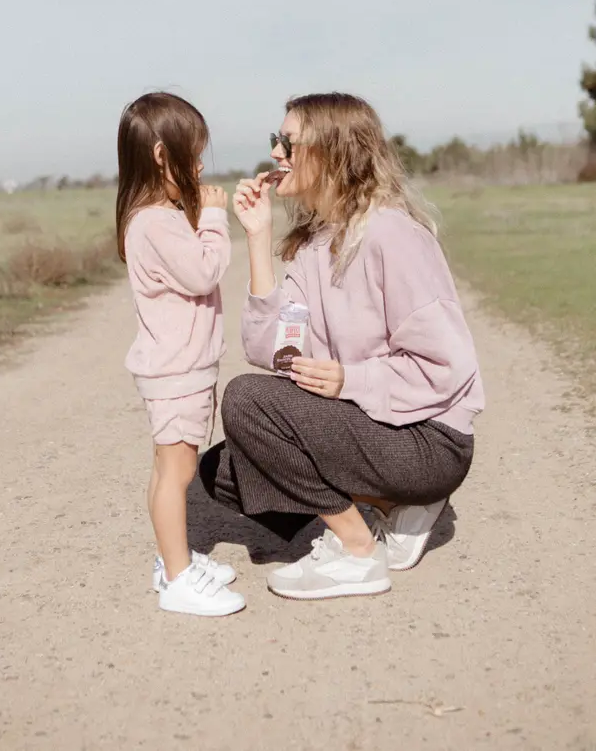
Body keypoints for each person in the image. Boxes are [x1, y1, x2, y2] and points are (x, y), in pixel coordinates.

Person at [199, 92, 484, 602]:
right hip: (373, 428)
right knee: (223, 472)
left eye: (288, 142)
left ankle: (358, 552)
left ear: (332, 151)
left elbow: (449, 365)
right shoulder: (313, 246)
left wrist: (351, 378)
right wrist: (259, 239)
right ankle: (383, 506)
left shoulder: (392, 235)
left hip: (428, 440)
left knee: (246, 399)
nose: (276, 153)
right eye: (275, 140)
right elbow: (275, 353)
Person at [116, 92, 245, 617]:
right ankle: (178, 578)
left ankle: (174, 558)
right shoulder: (157, 222)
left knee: (166, 467)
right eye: (193, 157)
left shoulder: (152, 216)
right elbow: (204, 271)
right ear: (162, 156)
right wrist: (214, 217)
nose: (198, 168)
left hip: (174, 369)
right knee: (178, 472)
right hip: (179, 372)